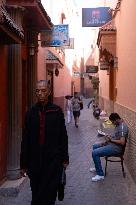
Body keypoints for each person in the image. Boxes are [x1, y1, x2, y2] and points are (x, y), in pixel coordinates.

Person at [20, 80, 69, 205]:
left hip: (53, 162)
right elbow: (25, 139)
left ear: (49, 92)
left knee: (50, 195)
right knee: (36, 194)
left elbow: (63, 137)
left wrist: (64, 159)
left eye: (43, 91)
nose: (40, 93)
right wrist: (23, 164)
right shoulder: (30, 113)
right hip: (34, 162)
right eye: (37, 91)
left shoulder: (56, 112)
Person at [90, 113, 128, 182]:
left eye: (113, 122)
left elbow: (122, 142)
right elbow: (116, 137)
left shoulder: (122, 127)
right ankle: (97, 167)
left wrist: (111, 140)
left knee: (94, 153)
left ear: (116, 119)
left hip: (117, 148)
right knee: (95, 146)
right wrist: (108, 138)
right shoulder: (117, 125)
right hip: (112, 144)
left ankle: (100, 175)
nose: (113, 123)